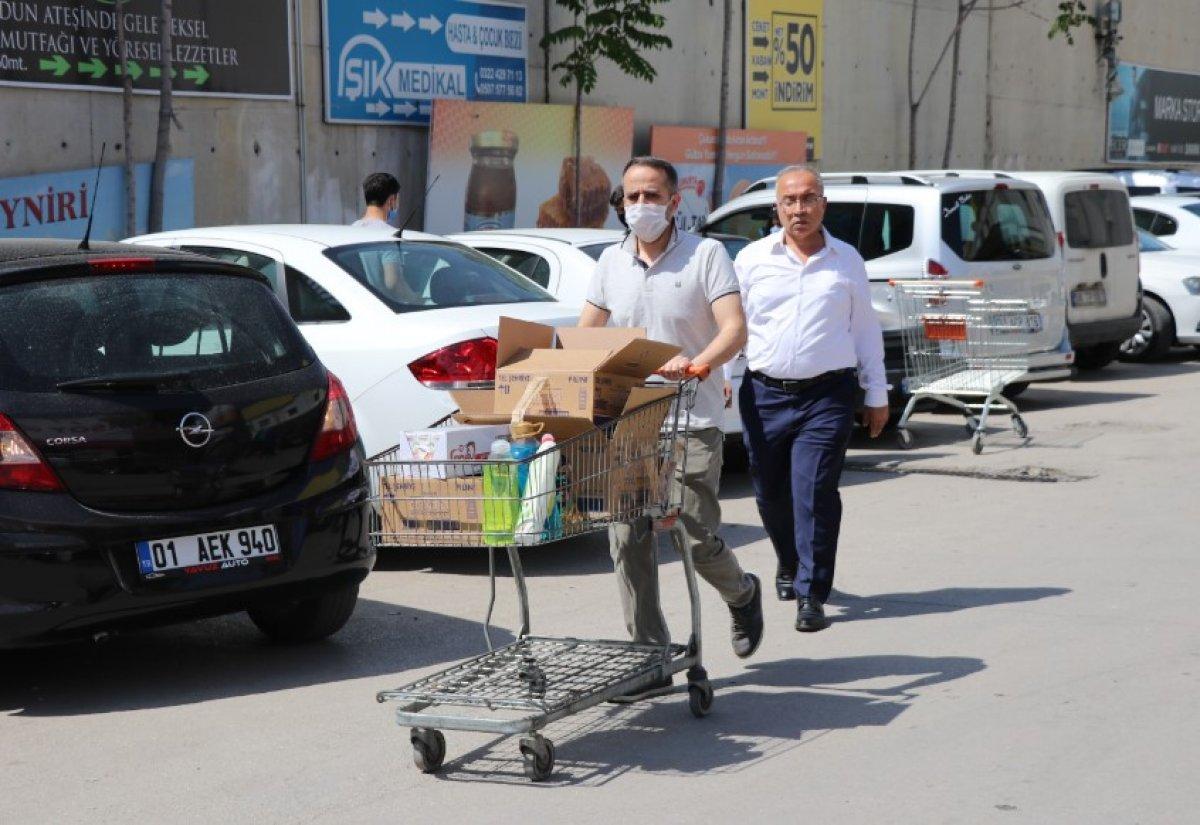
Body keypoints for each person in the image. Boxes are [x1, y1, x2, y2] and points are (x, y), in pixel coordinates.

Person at [580, 157, 764, 671]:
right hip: (632, 418)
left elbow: (734, 329)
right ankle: (649, 655)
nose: (641, 206)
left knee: (694, 532)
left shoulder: (706, 256)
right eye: (632, 197)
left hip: (693, 416)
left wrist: (702, 363)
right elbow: (586, 333)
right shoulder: (610, 262)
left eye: (652, 196)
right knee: (626, 535)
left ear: (675, 202)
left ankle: (742, 593)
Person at [734, 165, 888, 632]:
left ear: (823, 203)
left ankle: (811, 591)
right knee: (770, 492)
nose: (798, 209)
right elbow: (732, 325)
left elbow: (864, 330)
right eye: (789, 201)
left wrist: (876, 393)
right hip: (764, 394)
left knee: (815, 491)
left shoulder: (847, 261)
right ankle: (789, 559)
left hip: (828, 395)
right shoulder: (751, 260)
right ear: (776, 208)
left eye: (808, 199)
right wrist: (721, 377)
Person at [350, 172, 421, 304]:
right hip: (383, 308)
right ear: (392, 200)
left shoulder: (350, 230)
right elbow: (392, 282)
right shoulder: (389, 236)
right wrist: (414, 299)